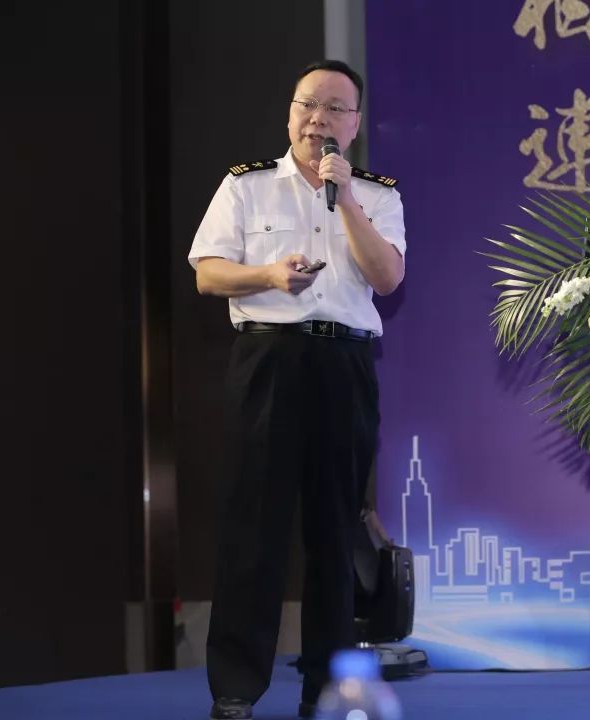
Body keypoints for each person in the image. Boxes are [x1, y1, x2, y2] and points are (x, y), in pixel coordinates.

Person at [188, 59, 406, 720]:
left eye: (335, 108)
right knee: (253, 529)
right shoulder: (246, 186)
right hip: (268, 362)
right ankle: (235, 689)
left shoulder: (377, 195)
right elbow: (207, 274)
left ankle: (326, 690)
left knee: (335, 534)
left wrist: (347, 202)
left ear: (355, 124)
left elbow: (387, 278)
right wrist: (268, 276)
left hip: (343, 366)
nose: (319, 119)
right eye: (308, 104)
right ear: (290, 112)